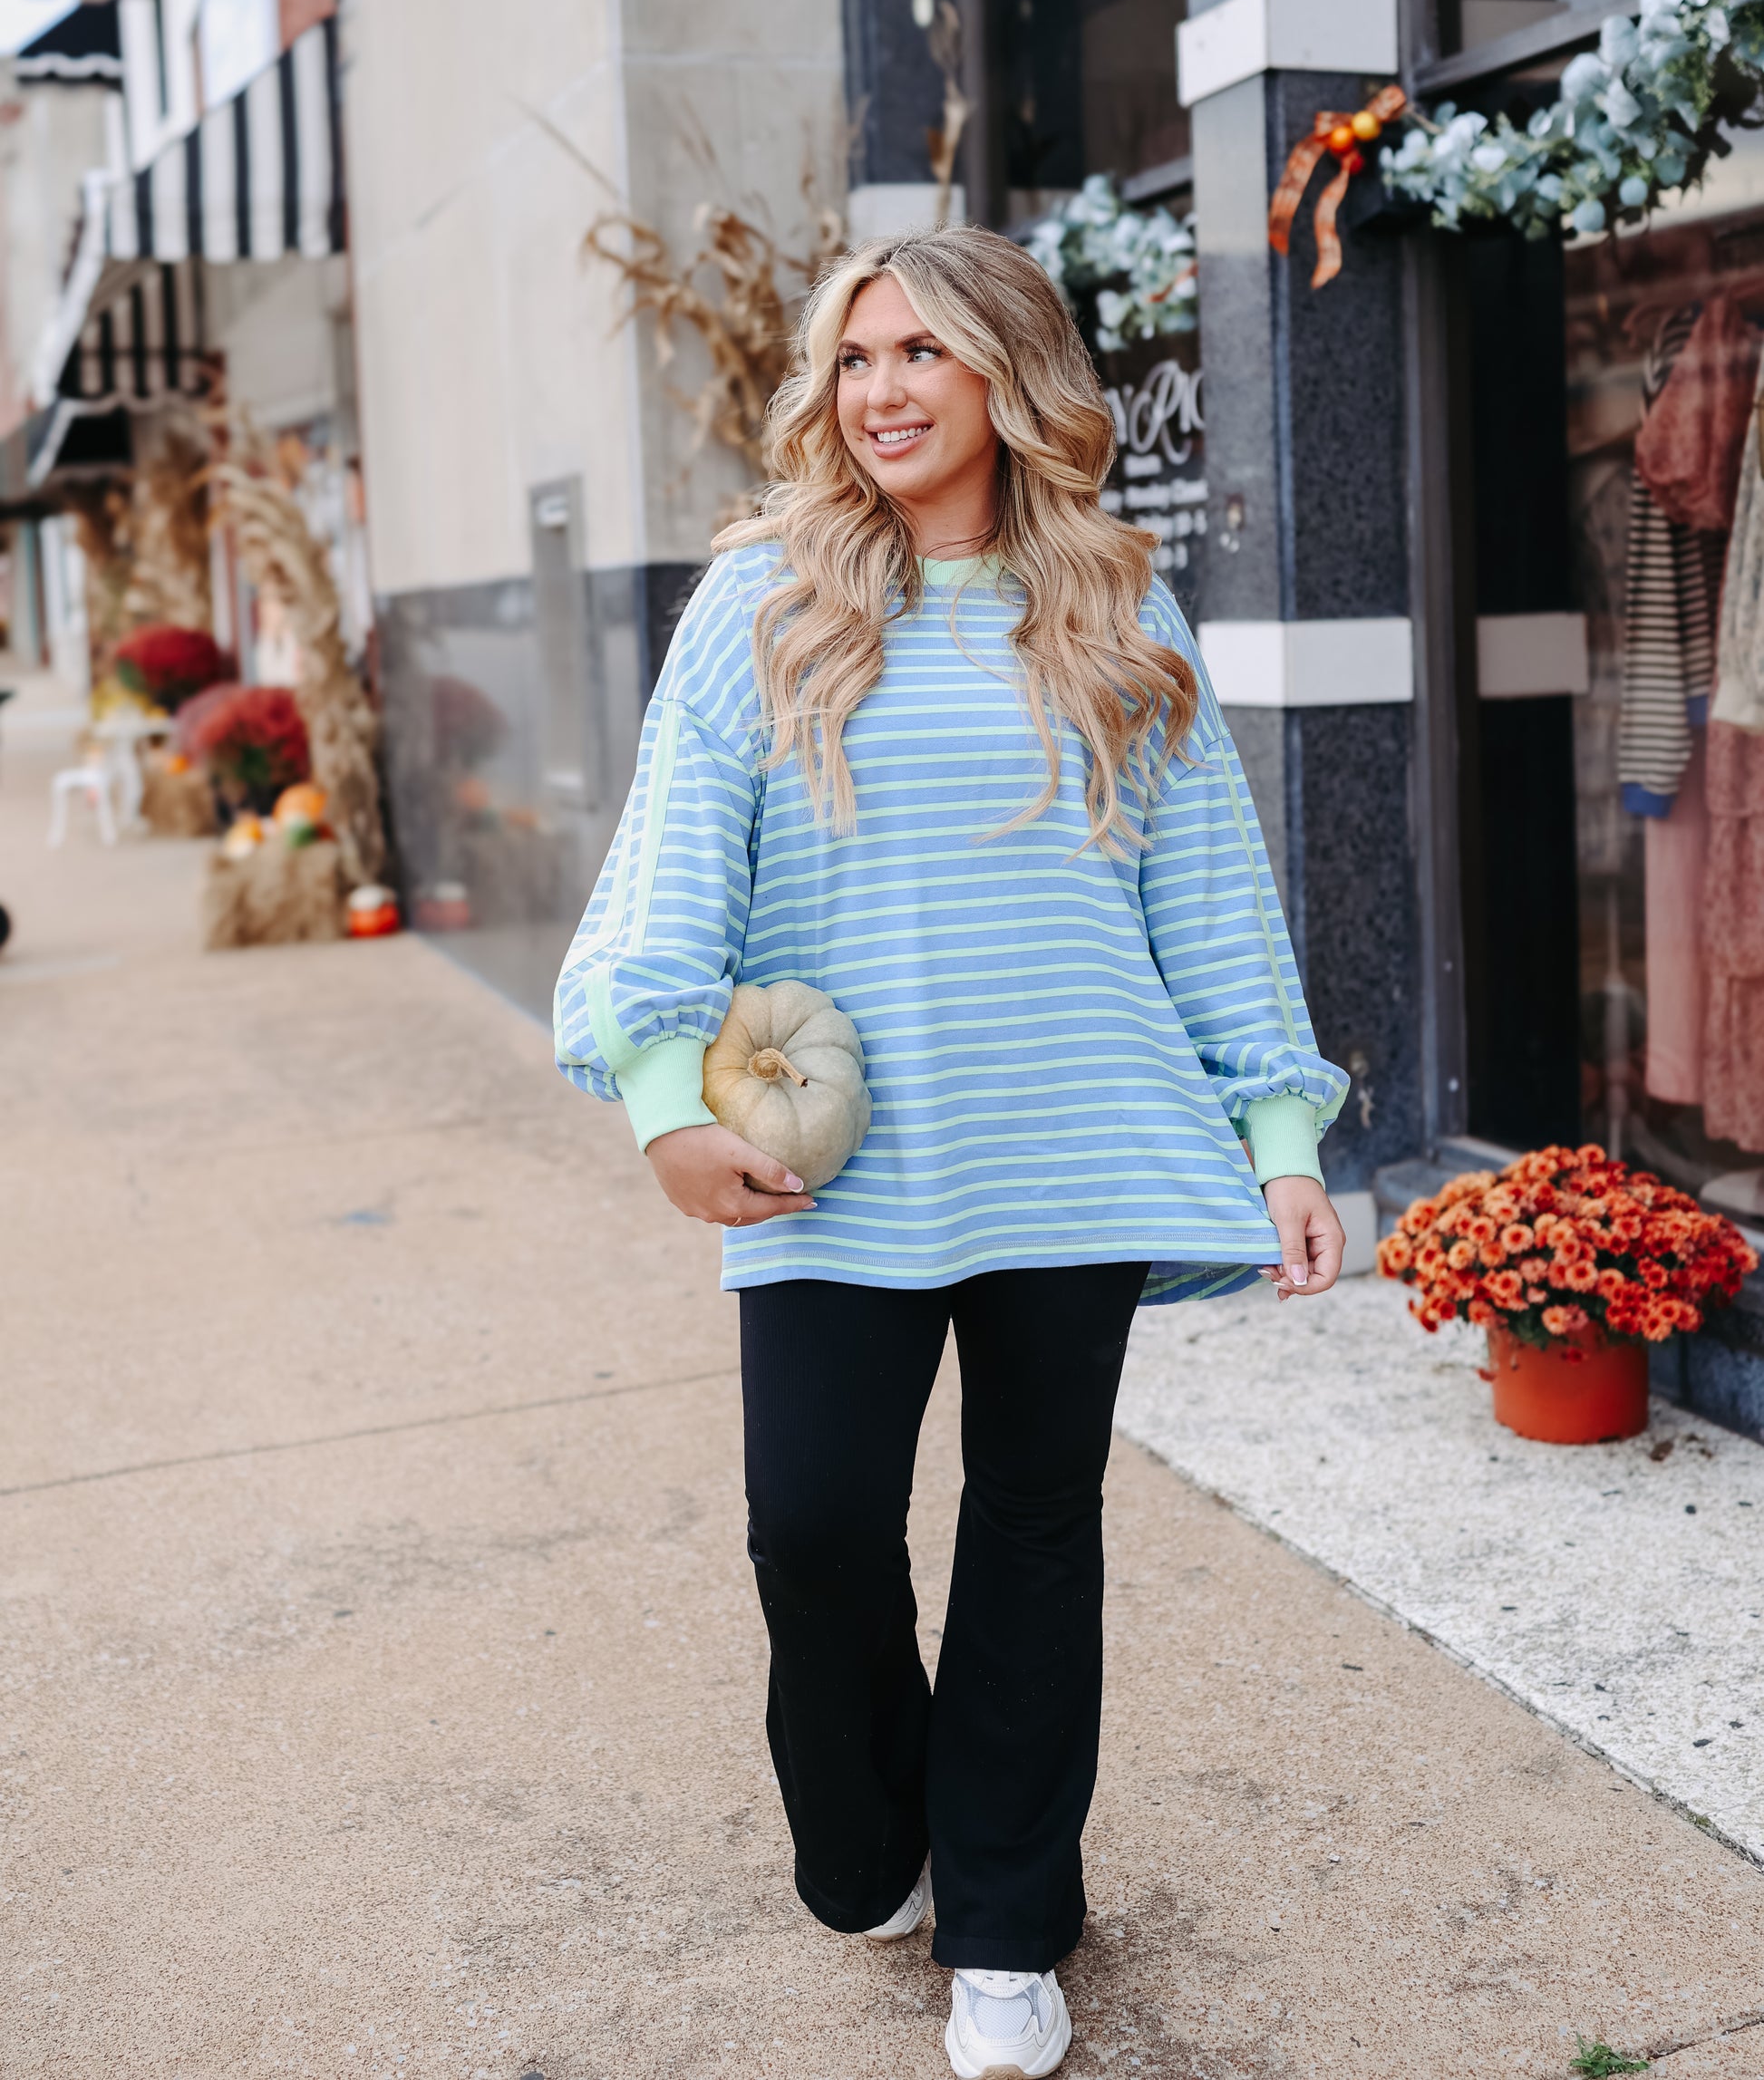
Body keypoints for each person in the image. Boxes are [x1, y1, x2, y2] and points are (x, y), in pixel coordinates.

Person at [556, 227, 1347, 2079]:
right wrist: (666, 1099)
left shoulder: (1123, 614)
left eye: (921, 349)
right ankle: (874, 1835)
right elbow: (671, 870)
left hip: (1070, 1142)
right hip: (828, 1165)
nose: (883, 388)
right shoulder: (763, 603)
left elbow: (1209, 895)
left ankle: (1007, 1919)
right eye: (854, 357)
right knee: (810, 1523)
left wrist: (1280, 1128)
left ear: (1008, 372)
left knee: (1031, 1531)